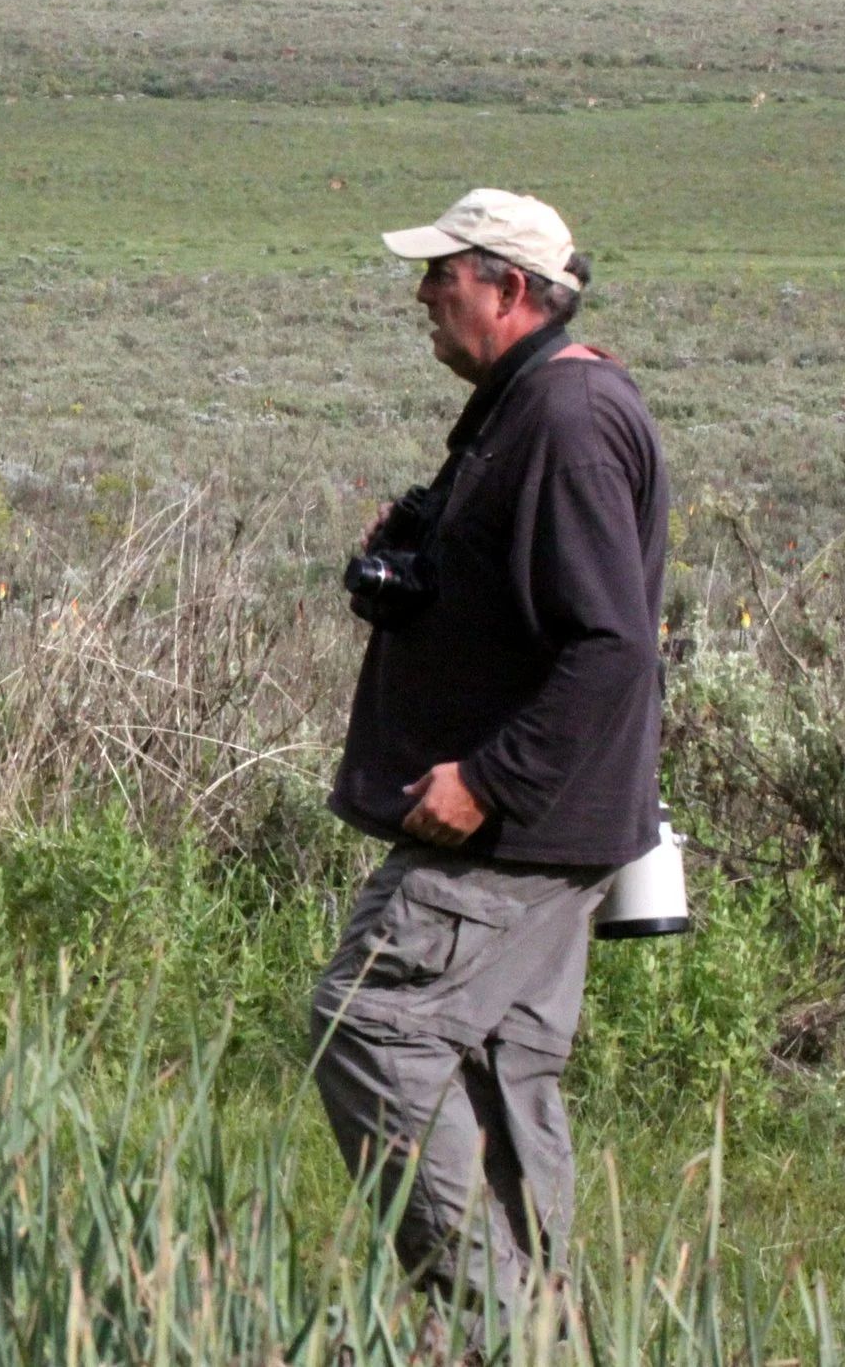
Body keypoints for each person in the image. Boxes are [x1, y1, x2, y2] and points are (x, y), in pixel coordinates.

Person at [312, 189, 669, 1319]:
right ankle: (539, 1329)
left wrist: (487, 778)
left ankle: (493, 1322)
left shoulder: (566, 418)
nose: (423, 293)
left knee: (372, 1024)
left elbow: (612, 646)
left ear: (510, 288)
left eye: (443, 273)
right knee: (496, 1069)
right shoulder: (534, 401)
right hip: (552, 823)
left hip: (516, 825)